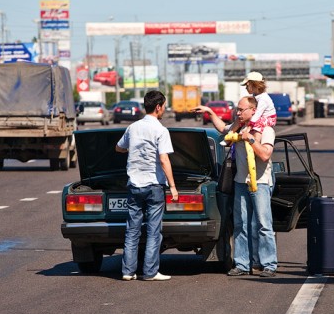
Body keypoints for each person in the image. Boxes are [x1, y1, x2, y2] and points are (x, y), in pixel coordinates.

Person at [194, 96, 278, 277]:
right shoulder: (237, 127)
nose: (238, 113)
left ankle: (268, 265)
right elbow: (223, 129)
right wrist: (210, 112)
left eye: (241, 110)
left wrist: (250, 140)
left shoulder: (266, 130)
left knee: (263, 224)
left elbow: (265, 155)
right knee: (240, 224)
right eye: (237, 110)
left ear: (253, 110)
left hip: (261, 183)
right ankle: (241, 263)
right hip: (240, 182)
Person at [115, 90, 179, 282]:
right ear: (158, 107)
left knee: (132, 230)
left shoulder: (133, 128)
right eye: (164, 106)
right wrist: (173, 187)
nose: (164, 109)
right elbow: (164, 159)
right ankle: (150, 272)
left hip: (134, 184)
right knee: (153, 231)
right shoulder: (161, 130)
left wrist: (135, 149)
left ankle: (128, 271)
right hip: (154, 186)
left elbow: (119, 147)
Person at [223, 72, 276, 145]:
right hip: (260, 117)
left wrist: (249, 127)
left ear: (254, 85)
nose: (246, 88)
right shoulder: (256, 95)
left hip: (268, 119)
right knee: (241, 120)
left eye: (247, 86)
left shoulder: (263, 99)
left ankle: (255, 142)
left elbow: (257, 114)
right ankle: (229, 136)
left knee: (257, 126)